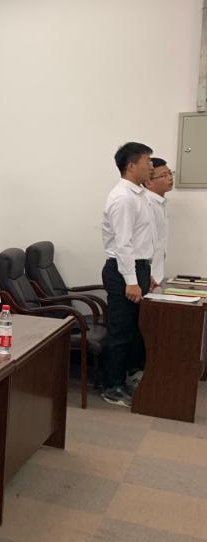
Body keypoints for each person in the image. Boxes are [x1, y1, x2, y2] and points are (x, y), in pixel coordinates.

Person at [100, 142, 155, 406]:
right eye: (148, 162)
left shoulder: (139, 195)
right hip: (123, 271)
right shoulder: (123, 197)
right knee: (120, 331)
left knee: (134, 330)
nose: (151, 167)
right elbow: (123, 244)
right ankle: (112, 387)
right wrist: (131, 281)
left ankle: (126, 378)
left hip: (137, 268)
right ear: (131, 165)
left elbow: (143, 239)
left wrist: (146, 273)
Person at [145, 157, 173, 286]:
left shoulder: (159, 203)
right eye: (163, 175)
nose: (170, 178)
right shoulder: (147, 204)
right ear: (148, 182)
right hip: (145, 274)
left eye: (170, 173)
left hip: (154, 275)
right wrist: (146, 274)